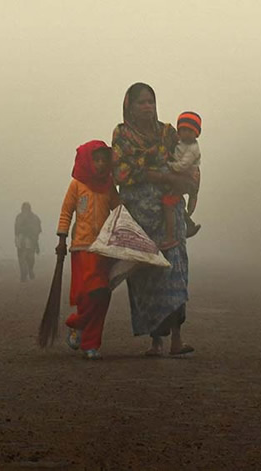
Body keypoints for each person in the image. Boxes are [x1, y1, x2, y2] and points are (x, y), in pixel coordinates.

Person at [112, 82, 196, 356]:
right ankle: (155, 341)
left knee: (175, 271)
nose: (147, 106)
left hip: (169, 213)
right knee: (146, 276)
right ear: (130, 107)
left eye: (151, 101)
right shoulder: (122, 135)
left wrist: (184, 179)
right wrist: (163, 176)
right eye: (141, 102)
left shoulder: (168, 133)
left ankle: (177, 339)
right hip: (140, 218)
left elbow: (187, 158)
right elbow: (121, 173)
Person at [55, 140, 120, 360]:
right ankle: (78, 325)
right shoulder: (76, 184)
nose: (101, 165)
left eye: (104, 160)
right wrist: (62, 239)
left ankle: (89, 340)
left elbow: (119, 212)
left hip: (102, 250)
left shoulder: (109, 186)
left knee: (101, 294)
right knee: (86, 296)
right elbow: (66, 212)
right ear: (86, 161)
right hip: (81, 248)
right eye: (96, 160)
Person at [161, 111, 202, 248]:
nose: (186, 133)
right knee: (177, 203)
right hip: (182, 177)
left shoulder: (192, 149)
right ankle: (189, 224)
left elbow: (182, 165)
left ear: (196, 133)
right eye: (183, 130)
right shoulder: (181, 143)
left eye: (190, 131)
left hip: (186, 177)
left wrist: (169, 166)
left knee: (168, 204)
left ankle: (170, 237)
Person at [14, 202, 42, 282]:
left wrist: (34, 239)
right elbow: (16, 229)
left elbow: (38, 230)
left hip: (31, 240)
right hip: (21, 239)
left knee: (30, 258)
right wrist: (17, 238)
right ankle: (23, 274)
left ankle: (30, 269)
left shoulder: (34, 218)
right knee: (21, 258)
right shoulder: (18, 217)